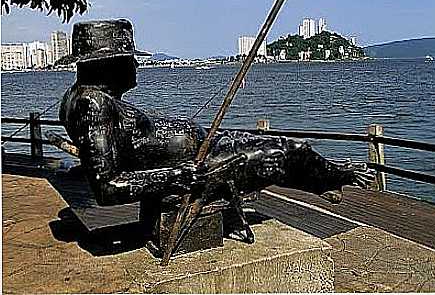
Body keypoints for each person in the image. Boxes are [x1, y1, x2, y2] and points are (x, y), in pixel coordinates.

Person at [60, 19, 372, 246]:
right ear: (109, 64)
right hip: (198, 166)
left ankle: (322, 181)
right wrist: (178, 175)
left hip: (201, 148)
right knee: (289, 151)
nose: (136, 66)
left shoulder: (82, 97)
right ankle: (334, 179)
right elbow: (106, 187)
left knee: (273, 142)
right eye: (130, 60)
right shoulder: (93, 104)